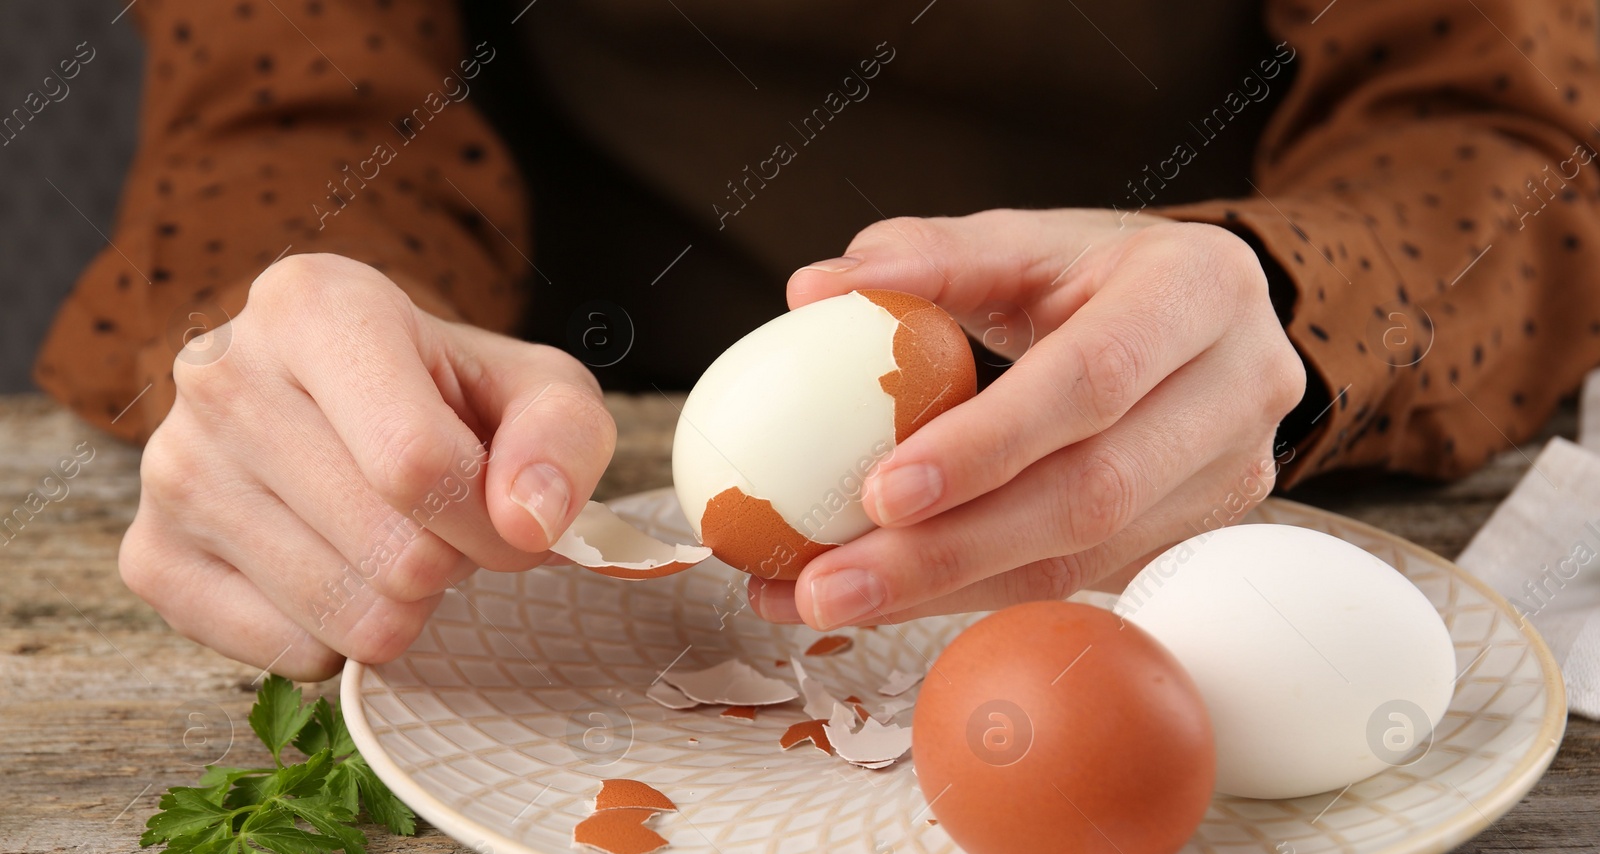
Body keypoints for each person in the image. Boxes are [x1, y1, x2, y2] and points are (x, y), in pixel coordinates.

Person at [34, 0, 1600, 680]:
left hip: (1204, 430)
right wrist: (316, 333)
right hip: (579, 400)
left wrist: (1279, 295)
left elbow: (1501, 126)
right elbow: (292, 108)